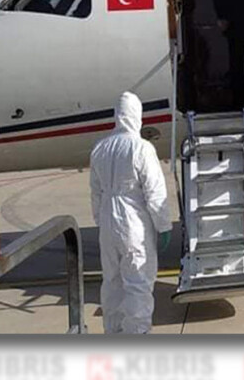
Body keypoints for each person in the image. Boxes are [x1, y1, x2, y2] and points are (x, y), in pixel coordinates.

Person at [89, 92, 172, 334]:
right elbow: (154, 192)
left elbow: (95, 192)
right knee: (138, 282)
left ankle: (113, 332)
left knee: (112, 281)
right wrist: (164, 226)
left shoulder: (100, 148)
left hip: (107, 221)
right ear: (137, 115)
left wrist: (101, 222)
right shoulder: (141, 148)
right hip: (133, 223)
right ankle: (137, 335)